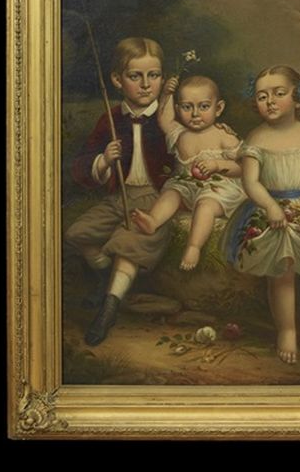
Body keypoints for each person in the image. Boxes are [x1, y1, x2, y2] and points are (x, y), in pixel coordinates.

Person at [220, 65, 300, 365]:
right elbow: (251, 182)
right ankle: (287, 331)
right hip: (272, 211)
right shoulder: (257, 138)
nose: (270, 101)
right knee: (281, 275)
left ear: (297, 99)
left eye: (279, 93)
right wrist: (271, 207)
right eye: (262, 96)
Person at [65, 37, 174, 346]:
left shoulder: (169, 117)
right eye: (135, 76)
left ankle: (109, 309)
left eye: (153, 75)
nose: (146, 85)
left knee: (128, 243)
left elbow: (189, 152)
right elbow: (82, 164)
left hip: (155, 198)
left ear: (162, 77)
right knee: (77, 233)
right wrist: (104, 160)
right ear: (116, 79)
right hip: (119, 196)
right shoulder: (110, 119)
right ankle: (104, 279)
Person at [131, 75, 246, 270]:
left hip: (218, 191)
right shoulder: (180, 133)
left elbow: (243, 167)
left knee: (205, 205)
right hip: (187, 186)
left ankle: (194, 246)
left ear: (218, 108)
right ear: (178, 109)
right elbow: (164, 118)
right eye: (187, 107)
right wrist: (167, 94)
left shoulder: (224, 136)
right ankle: (153, 221)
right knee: (172, 193)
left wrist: (217, 165)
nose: (195, 114)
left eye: (204, 106)